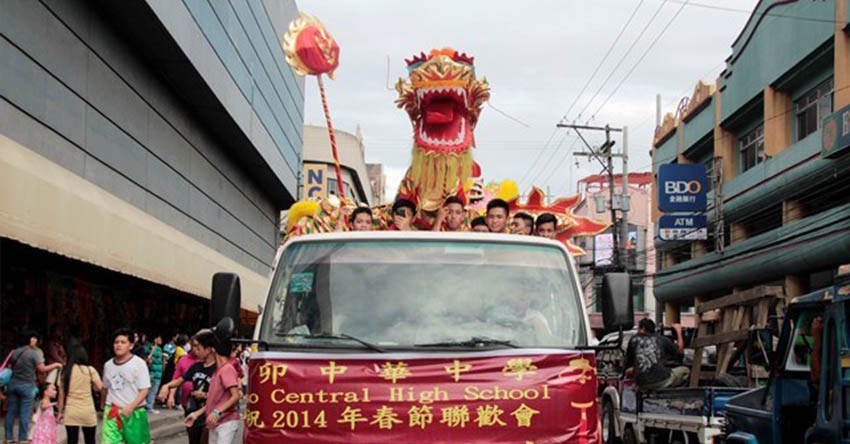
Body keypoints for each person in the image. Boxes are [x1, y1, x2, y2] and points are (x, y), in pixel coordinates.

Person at [184, 329, 242, 444]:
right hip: (215, 423)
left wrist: (217, 412)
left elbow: (237, 395)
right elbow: (213, 400)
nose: (195, 351)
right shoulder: (217, 371)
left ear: (213, 350)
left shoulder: (227, 369)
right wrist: (196, 414)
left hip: (226, 423)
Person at [160, 329, 217, 444]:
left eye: (198, 347)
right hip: (192, 410)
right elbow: (180, 380)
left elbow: (223, 395)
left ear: (209, 349)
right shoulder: (196, 366)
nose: (194, 350)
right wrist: (166, 386)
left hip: (209, 413)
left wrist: (205, 395)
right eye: (193, 346)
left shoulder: (219, 369)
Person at [5, 330, 62, 443]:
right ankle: (22, 438)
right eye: (34, 339)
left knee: (11, 411)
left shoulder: (15, 352)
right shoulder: (33, 353)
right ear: (30, 339)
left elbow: (9, 366)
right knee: (24, 413)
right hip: (27, 386)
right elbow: (42, 369)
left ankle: (8, 437)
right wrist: (55, 364)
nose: (35, 341)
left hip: (13, 384)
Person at [102, 328, 151, 444]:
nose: (118, 345)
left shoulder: (139, 364)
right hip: (112, 412)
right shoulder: (108, 365)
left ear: (131, 346)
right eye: (116, 342)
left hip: (134, 412)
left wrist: (131, 407)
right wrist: (103, 406)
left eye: (123, 342)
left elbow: (144, 390)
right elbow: (105, 387)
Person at [624, 318, 689, 391]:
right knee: (685, 370)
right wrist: (678, 331)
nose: (637, 331)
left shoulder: (633, 339)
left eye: (638, 329)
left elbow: (628, 367)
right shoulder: (662, 339)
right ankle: (675, 394)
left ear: (643, 328)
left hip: (642, 383)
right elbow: (680, 351)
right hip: (660, 380)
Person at [58, 344, 103, 444]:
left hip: (71, 411)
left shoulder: (65, 371)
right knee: (90, 440)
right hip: (87, 411)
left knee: (72, 440)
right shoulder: (90, 370)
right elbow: (100, 387)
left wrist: (60, 413)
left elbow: (61, 395)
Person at [145, 334, 164, 414]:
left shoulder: (158, 348)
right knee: (151, 391)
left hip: (156, 373)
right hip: (153, 372)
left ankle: (148, 406)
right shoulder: (150, 348)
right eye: (159, 338)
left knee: (151, 390)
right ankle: (149, 407)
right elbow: (148, 359)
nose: (161, 340)